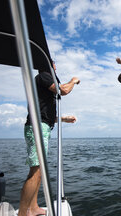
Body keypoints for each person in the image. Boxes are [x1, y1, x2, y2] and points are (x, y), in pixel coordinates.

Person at [18, 61, 80, 216]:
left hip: (42, 126)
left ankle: (33, 207)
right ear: (48, 65)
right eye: (54, 64)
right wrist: (73, 80)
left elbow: (45, 114)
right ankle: (23, 213)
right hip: (37, 127)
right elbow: (63, 90)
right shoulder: (44, 76)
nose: (56, 67)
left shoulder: (43, 82)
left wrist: (63, 119)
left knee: (39, 170)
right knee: (36, 170)